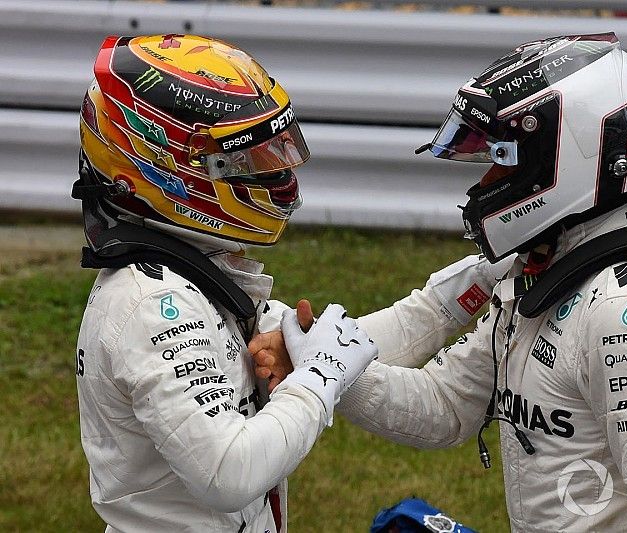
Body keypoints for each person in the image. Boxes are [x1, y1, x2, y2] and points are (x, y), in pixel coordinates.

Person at [257, 33, 627, 531]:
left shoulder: (625, 318)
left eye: (505, 161)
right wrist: (325, 368)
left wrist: (323, 368)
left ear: (573, 161)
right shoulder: (542, 272)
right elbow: (447, 406)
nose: (485, 184)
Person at [73, 34, 503, 532]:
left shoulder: (195, 273)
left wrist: (466, 288)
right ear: (167, 168)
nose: (276, 173)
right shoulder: (154, 302)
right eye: (247, 160)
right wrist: (316, 383)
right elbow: (228, 472)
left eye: (274, 150)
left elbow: (345, 347)